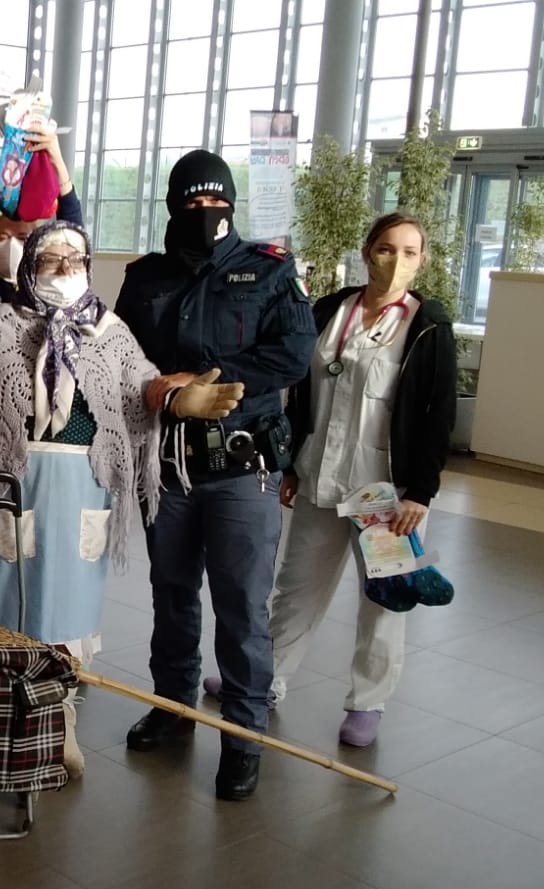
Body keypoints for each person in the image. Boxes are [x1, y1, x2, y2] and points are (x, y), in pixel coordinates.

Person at [0, 221, 240, 776]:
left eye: (73, 261)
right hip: (8, 480)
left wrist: (176, 397)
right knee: (0, 596)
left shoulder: (111, 331)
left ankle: (58, 721)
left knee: (67, 605)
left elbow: (143, 384)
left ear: (88, 267)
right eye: (50, 260)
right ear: (30, 265)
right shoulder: (0, 323)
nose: (62, 271)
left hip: (85, 485)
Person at [113, 149, 316, 801]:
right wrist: (155, 385)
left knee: (240, 608)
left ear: (232, 203)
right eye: (193, 204)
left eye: (215, 203)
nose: (206, 214)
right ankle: (173, 710)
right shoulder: (146, 278)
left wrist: (212, 379)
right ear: (173, 206)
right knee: (171, 596)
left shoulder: (268, 271)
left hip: (241, 470)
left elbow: (292, 354)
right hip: (167, 468)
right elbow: (122, 359)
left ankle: (243, 738)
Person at [253, 212, 456, 748]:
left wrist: (421, 492)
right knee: (297, 588)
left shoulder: (428, 326)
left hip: (387, 494)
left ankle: (368, 702)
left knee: (385, 599)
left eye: (410, 252)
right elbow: (302, 392)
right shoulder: (331, 310)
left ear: (423, 261)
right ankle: (263, 681)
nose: (397, 261)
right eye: (387, 249)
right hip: (322, 473)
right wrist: (292, 464)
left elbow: (439, 416)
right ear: (367, 251)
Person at [0, 126, 84, 308]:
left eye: (22, 238)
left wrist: (57, 163)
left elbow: (73, 240)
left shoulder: (52, 292)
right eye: (3, 238)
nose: (12, 245)